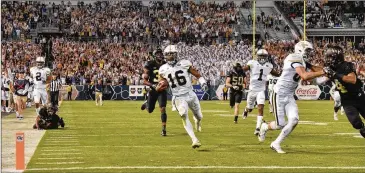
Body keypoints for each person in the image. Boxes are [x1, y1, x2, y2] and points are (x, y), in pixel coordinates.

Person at [258, 41, 325, 153]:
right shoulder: (294, 57)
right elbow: (304, 76)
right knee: (280, 124)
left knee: (294, 120)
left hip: (289, 95)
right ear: (300, 49)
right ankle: (264, 126)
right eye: (307, 50)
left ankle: (276, 143)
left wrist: (331, 71)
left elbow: (315, 69)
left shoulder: (302, 61)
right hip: (279, 93)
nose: (309, 53)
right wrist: (324, 71)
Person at [158, 45, 208, 148]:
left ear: (176, 54)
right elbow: (161, 83)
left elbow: (198, 75)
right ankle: (194, 139)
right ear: (165, 56)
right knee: (183, 114)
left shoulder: (185, 63)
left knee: (199, 116)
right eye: (168, 55)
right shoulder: (162, 69)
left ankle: (197, 121)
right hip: (178, 97)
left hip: (190, 94)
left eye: (172, 55)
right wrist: (159, 87)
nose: (170, 57)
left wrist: (203, 83)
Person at [323, 46, 365, 138]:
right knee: (356, 123)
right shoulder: (330, 68)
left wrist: (335, 75)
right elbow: (319, 75)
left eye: (330, 57)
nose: (328, 59)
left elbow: (352, 79)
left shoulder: (347, 65)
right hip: (347, 101)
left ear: (336, 57)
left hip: (359, 97)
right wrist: (308, 66)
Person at [242, 49, 280, 135]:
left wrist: (283, 73)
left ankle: (258, 128)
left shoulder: (269, 65)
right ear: (257, 56)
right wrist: (239, 69)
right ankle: (246, 110)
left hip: (261, 90)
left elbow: (276, 74)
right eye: (261, 56)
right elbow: (245, 68)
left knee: (260, 108)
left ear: (266, 57)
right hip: (252, 90)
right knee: (250, 108)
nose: (262, 58)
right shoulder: (252, 63)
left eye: (264, 56)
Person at [140, 48, 169, 136]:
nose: (160, 55)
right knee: (150, 110)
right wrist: (153, 86)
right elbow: (144, 81)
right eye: (158, 54)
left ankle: (163, 130)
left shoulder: (166, 64)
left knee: (163, 108)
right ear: (154, 55)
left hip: (162, 90)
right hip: (153, 90)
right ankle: (146, 104)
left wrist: (167, 83)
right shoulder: (150, 64)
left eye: (161, 53)